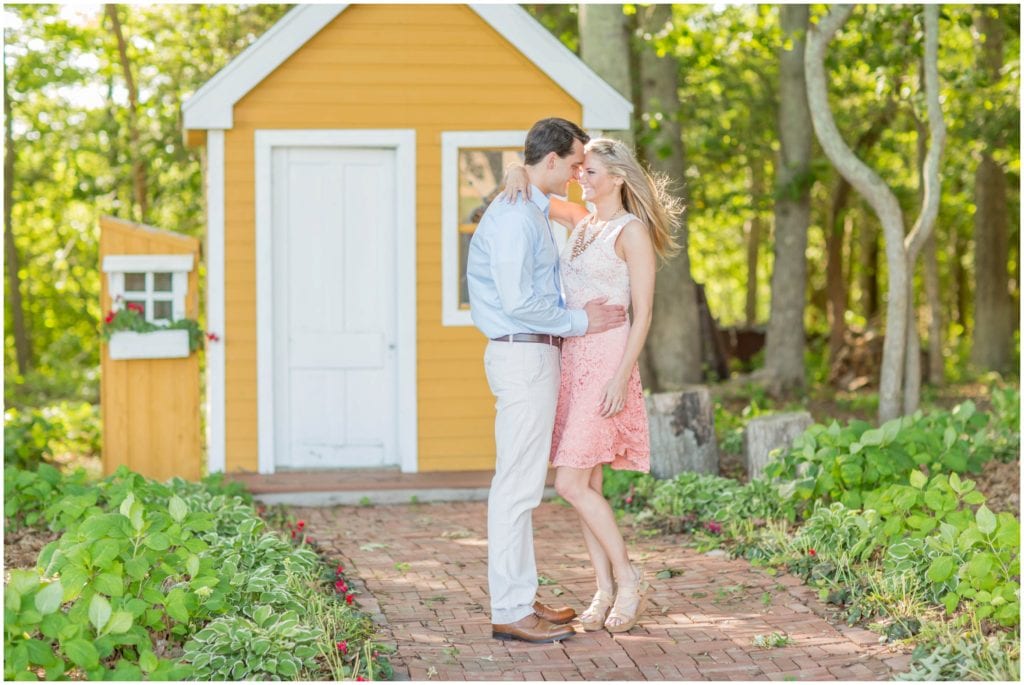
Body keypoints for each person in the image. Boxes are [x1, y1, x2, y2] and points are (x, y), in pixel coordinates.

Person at [501, 136, 682, 633]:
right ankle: (601, 588)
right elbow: (536, 189)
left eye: (592, 172)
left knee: (570, 483)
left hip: (606, 363)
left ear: (618, 179)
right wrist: (519, 170)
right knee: (588, 484)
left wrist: (622, 376)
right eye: (581, 170)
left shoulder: (631, 232)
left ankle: (628, 578)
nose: (582, 177)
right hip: (571, 359)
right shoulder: (583, 224)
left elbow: (643, 313)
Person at [466, 118, 628, 644]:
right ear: (553, 160)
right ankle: (510, 610)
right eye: (577, 161)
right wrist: (583, 322)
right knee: (516, 487)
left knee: (521, 485)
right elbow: (519, 303)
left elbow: (576, 212)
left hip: (534, 356)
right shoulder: (516, 218)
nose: (582, 170)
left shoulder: (530, 207)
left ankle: (520, 595)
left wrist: (516, 172)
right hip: (524, 356)